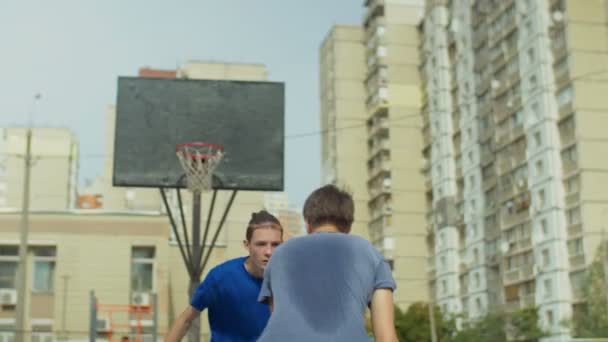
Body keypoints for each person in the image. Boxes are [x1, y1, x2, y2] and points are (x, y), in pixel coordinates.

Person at [257, 185, 398, 342]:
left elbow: (279, 318)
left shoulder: (279, 255)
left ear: (307, 222)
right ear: (349, 225)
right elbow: (386, 337)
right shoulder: (370, 254)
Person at [166, 210, 283, 342]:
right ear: (247, 245)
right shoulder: (221, 277)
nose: (269, 251)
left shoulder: (288, 281)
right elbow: (185, 320)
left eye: (275, 245)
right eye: (261, 244)